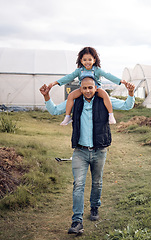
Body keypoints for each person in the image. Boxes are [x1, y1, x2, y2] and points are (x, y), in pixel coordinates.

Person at [39, 76, 135, 235]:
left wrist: (130, 93)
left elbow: (127, 106)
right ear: (80, 89)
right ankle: (77, 221)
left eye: (91, 87)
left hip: (99, 150)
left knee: (97, 182)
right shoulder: (75, 101)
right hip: (80, 151)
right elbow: (54, 110)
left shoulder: (105, 100)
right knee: (78, 185)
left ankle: (95, 206)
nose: (88, 91)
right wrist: (46, 96)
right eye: (84, 88)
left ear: (96, 87)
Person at [48, 47, 127, 126]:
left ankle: (111, 115)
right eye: (84, 60)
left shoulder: (97, 69)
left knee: (105, 95)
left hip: (97, 89)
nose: (87, 62)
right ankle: (67, 117)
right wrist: (56, 82)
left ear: (94, 60)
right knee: (71, 95)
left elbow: (108, 75)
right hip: (83, 89)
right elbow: (69, 77)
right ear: (81, 61)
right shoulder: (79, 71)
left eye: (90, 59)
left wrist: (120, 81)